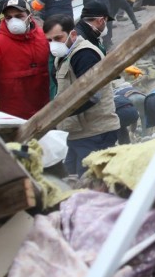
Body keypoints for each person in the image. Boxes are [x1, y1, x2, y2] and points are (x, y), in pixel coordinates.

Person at [43, 14, 120, 176]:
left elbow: (92, 94)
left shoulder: (85, 54)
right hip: (75, 133)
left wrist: (59, 112)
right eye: (49, 40)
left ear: (72, 34)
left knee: (91, 183)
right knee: (72, 179)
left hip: (95, 132)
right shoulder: (63, 57)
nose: (53, 44)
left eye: (58, 38)